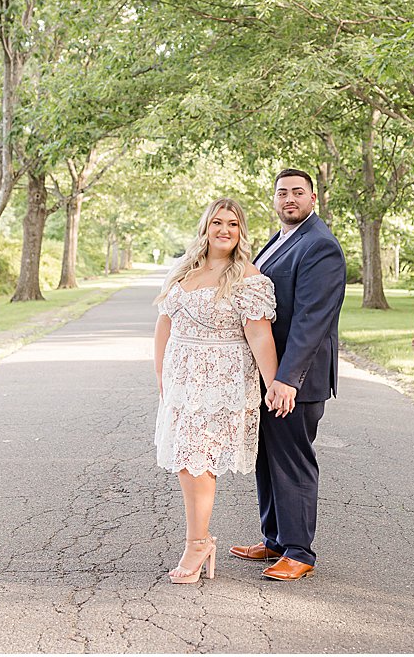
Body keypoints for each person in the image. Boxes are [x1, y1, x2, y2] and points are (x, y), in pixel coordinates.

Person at [153, 197, 279, 585]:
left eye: (233, 224)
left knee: (197, 459)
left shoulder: (248, 278)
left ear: (240, 232)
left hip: (220, 382)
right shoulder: (182, 270)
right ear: (205, 228)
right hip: (181, 381)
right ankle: (199, 540)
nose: (224, 230)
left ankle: (197, 543)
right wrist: (162, 380)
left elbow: (259, 334)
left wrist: (274, 384)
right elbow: (164, 325)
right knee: (185, 461)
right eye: (217, 222)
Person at [231, 168, 346, 582]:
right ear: (274, 200)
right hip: (271, 375)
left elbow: (311, 321)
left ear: (314, 199)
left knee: (292, 460)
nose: (289, 199)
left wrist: (286, 379)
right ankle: (276, 540)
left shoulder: (320, 246)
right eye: (282, 193)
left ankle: (299, 551)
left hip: (296, 380)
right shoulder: (279, 240)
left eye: (298, 192)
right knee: (267, 457)